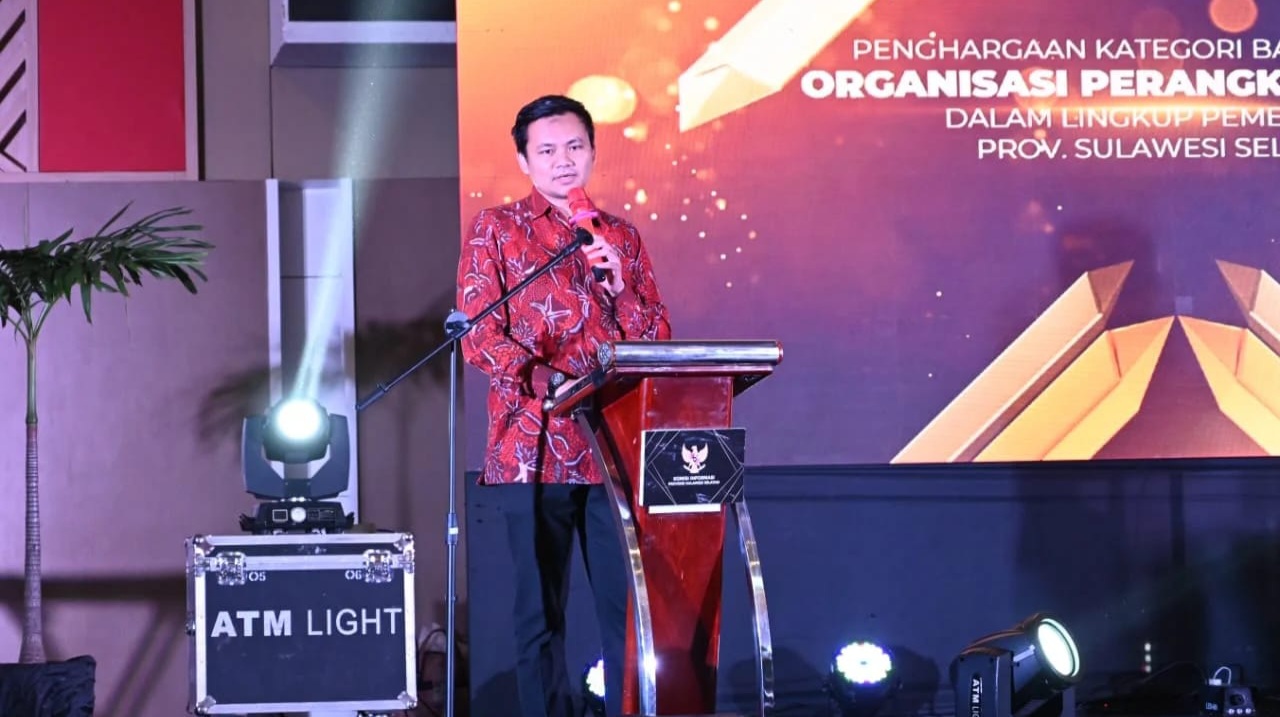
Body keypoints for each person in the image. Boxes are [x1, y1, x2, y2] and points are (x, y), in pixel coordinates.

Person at [455, 94, 672, 717]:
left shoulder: (620, 237)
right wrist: (545, 377)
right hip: (532, 449)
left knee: (626, 610)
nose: (563, 160)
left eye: (575, 146)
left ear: (594, 153)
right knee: (538, 615)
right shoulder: (497, 229)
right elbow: (479, 333)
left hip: (612, 450)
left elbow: (656, 340)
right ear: (525, 162)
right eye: (547, 150)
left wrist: (620, 287)